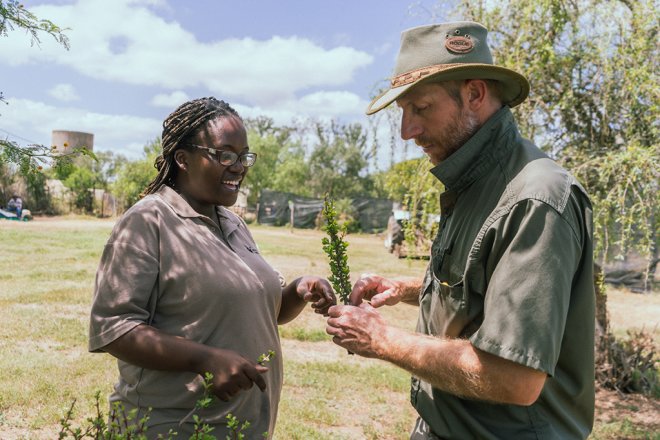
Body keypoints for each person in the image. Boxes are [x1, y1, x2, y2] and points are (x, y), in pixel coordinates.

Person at [326, 21, 595, 440]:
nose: (406, 132)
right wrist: (407, 289)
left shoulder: (534, 198)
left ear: (474, 94)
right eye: (403, 113)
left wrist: (379, 338)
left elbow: (514, 378)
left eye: (421, 108)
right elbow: (483, 286)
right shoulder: (473, 179)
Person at [89, 97, 336, 438]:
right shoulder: (149, 221)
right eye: (225, 154)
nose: (239, 166)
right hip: (174, 426)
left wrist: (298, 289)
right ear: (183, 159)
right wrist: (204, 359)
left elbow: (261, 311)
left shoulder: (231, 222)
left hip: (242, 426)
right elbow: (114, 328)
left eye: (244, 155)